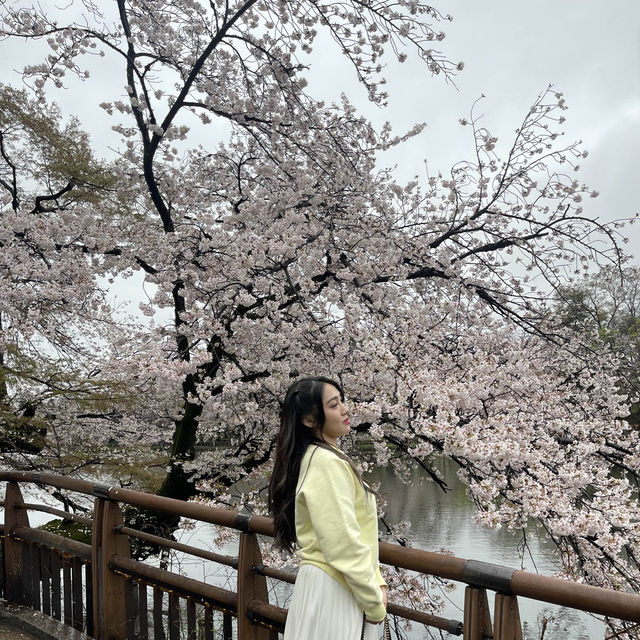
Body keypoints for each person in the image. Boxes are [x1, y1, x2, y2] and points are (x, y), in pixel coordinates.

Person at [268, 376, 387, 639]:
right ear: (310, 419)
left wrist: (377, 580)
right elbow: (342, 543)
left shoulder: (315, 456)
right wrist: (375, 604)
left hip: (322, 585)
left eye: (342, 402)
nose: (345, 409)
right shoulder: (326, 462)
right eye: (334, 405)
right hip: (335, 589)